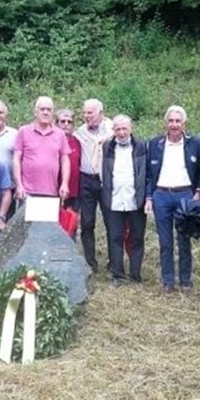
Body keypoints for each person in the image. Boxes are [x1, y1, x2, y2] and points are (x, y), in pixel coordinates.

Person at [145, 105, 200, 297]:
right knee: (165, 241)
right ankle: (168, 281)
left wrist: (198, 192)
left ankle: (185, 281)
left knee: (184, 239)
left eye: (178, 121)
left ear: (184, 123)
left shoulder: (195, 143)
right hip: (161, 195)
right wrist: (149, 196)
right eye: (171, 121)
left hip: (185, 196)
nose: (174, 124)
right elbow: (148, 173)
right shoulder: (155, 143)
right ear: (166, 122)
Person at [101, 114, 148, 287]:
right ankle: (118, 275)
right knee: (115, 237)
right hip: (113, 200)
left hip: (136, 200)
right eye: (118, 129)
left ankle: (135, 276)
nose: (121, 132)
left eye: (124, 128)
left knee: (137, 238)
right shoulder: (107, 147)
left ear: (131, 128)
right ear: (113, 130)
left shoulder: (142, 146)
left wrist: (146, 197)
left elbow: (147, 173)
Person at [74, 98, 113, 272]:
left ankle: (114, 261)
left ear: (101, 113)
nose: (86, 116)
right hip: (87, 180)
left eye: (90, 112)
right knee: (87, 222)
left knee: (111, 221)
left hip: (106, 180)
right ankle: (90, 262)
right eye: (84, 113)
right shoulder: (79, 132)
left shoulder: (113, 128)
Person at [12, 96, 71, 201]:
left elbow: (65, 160)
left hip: (52, 192)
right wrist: (19, 185)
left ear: (52, 113)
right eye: (42, 109)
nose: (45, 112)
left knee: (48, 218)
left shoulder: (60, 134)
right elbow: (16, 159)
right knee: (27, 218)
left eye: (49, 110)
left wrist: (64, 184)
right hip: (27, 192)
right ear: (35, 112)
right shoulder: (24, 131)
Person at [56, 108, 82, 218]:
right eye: (62, 121)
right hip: (53, 191)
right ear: (56, 123)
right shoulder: (51, 140)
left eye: (69, 122)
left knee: (70, 225)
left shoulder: (77, 142)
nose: (66, 124)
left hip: (74, 192)